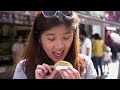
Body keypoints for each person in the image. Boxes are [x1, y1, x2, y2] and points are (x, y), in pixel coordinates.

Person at [13, 11, 97, 79]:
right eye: (51, 38)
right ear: (38, 38)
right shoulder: (23, 68)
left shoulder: (85, 64)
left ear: (74, 36)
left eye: (66, 37)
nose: (59, 46)